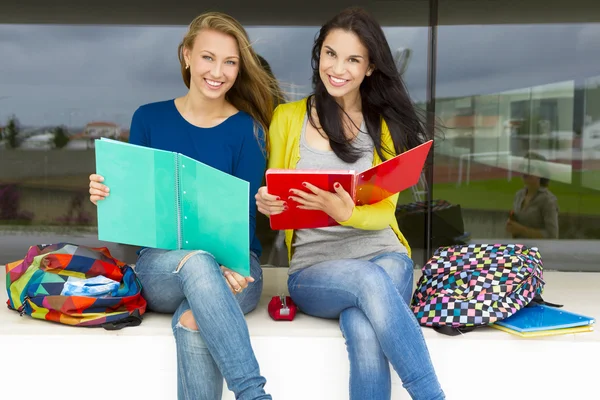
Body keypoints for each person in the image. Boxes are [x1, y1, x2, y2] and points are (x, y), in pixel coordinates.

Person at [255, 7, 445, 400]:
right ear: (318, 54)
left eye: (353, 59)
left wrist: (347, 212)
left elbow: (385, 211)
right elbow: (278, 196)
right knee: (367, 284)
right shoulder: (287, 118)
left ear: (370, 67)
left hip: (385, 256)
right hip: (314, 269)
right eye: (330, 53)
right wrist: (268, 204)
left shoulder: (384, 125)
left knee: (362, 324)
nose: (337, 68)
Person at [88, 12, 278, 400]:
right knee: (196, 260)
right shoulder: (149, 118)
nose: (218, 71)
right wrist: (108, 193)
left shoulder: (248, 130)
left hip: (238, 271)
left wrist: (231, 263)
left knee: (193, 320)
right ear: (187, 56)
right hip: (163, 269)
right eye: (208, 57)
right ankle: (254, 394)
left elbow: (243, 219)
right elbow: (135, 210)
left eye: (230, 62)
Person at [507, 151, 559, 239]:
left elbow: (552, 236)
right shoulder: (519, 195)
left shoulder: (548, 200)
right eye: (523, 167)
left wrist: (521, 230)